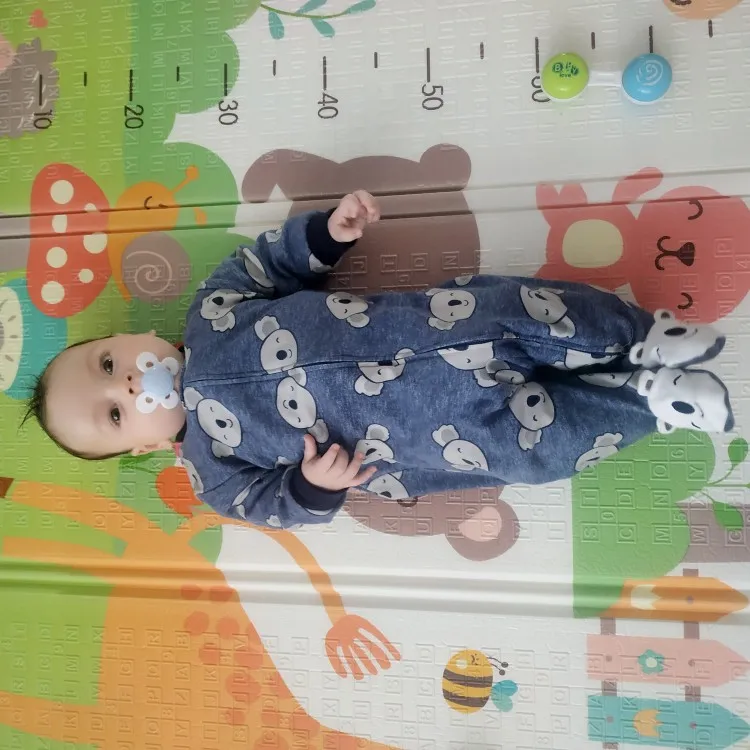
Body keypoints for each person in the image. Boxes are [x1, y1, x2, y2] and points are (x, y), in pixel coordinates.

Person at [26, 191, 734, 528]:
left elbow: (269, 262)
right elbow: (275, 507)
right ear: (142, 447)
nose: (130, 385)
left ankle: (639, 338)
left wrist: (327, 236)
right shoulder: (213, 473)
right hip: (441, 437)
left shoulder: (212, 309)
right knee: (537, 452)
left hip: (439, 325)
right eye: (115, 414)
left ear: (128, 338)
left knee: (524, 306)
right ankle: (649, 403)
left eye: (108, 364)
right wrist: (311, 486)